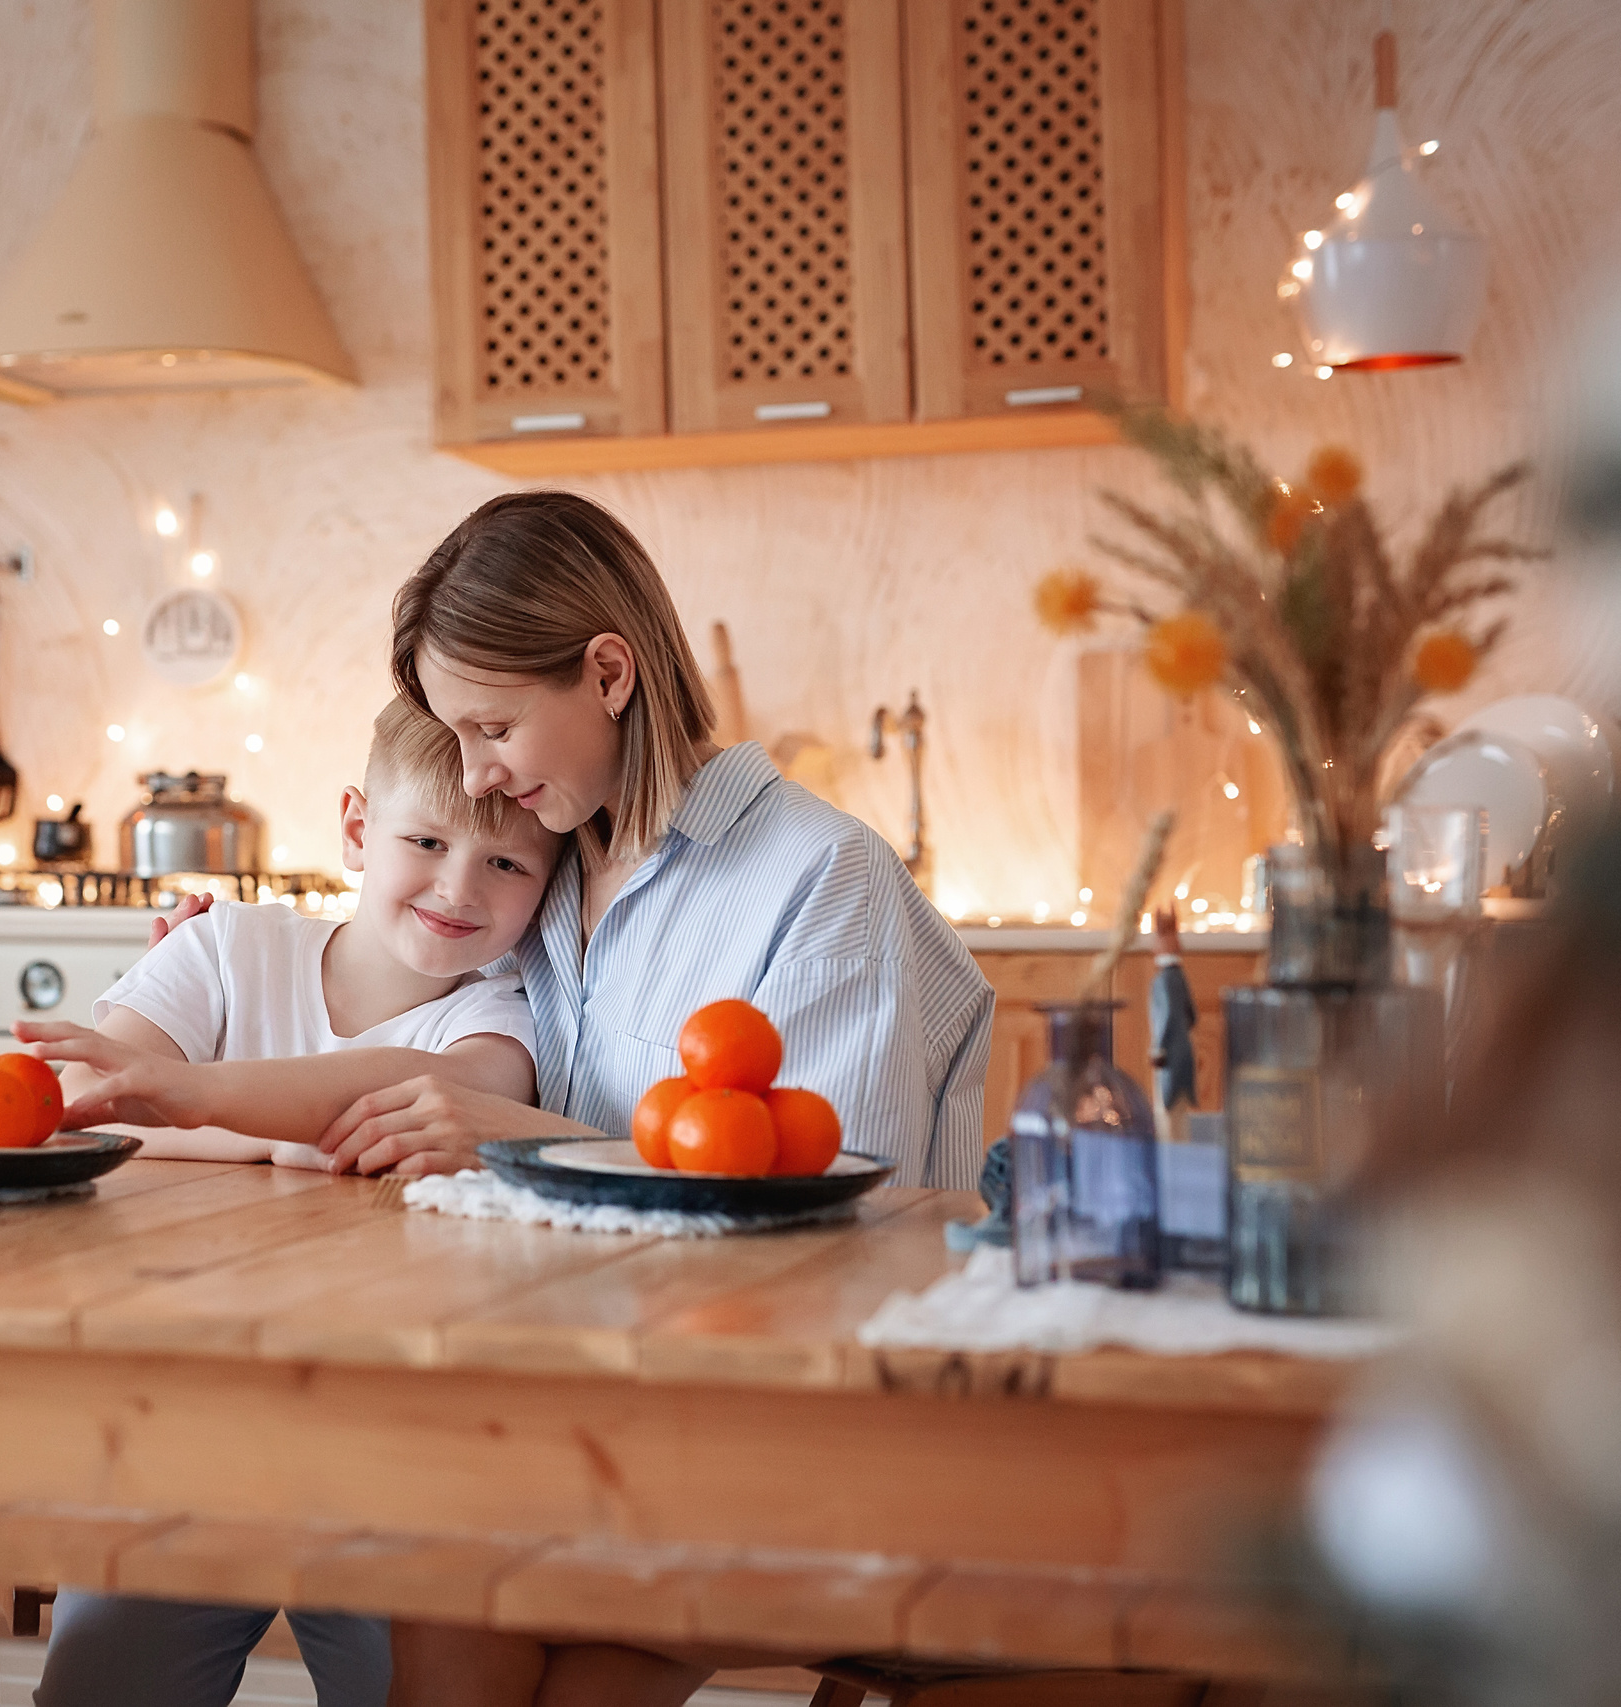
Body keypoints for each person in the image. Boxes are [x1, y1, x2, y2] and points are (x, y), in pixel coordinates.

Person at [110, 491, 995, 1705]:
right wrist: (218, 951)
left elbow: (836, 1244)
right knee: (440, 1580)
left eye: (491, 727)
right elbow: (393, 964)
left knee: (472, 1592)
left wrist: (536, 1139)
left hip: (789, 1424)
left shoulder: (819, 879)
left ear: (608, 674)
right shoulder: (553, 871)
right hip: (588, 1406)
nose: (477, 775)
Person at [18, 699, 563, 1707]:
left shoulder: (501, 1013)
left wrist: (193, 1115)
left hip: (394, 1445)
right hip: (182, 1416)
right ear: (358, 829)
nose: (457, 886)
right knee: (99, 1686)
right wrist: (294, 1138)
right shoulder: (226, 946)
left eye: (506, 864)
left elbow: (428, 1106)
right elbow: (103, 1109)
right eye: (426, 841)